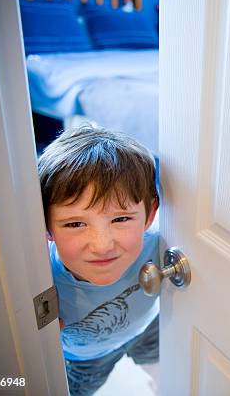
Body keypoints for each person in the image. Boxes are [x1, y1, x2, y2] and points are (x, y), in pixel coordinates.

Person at [38, 125, 160, 395]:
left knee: (168, 372)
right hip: (84, 360)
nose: (102, 245)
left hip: (148, 327)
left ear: (150, 214)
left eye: (120, 219)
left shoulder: (164, 243)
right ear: (46, 227)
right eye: (75, 224)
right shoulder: (40, 276)